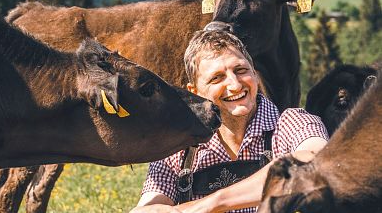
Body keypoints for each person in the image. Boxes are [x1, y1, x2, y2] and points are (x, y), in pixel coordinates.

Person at [132, 30, 329, 213]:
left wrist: (211, 204)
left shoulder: (292, 123)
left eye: (241, 70)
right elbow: (148, 208)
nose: (235, 85)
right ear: (195, 92)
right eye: (217, 78)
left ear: (255, 75)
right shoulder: (177, 148)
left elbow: (317, 163)